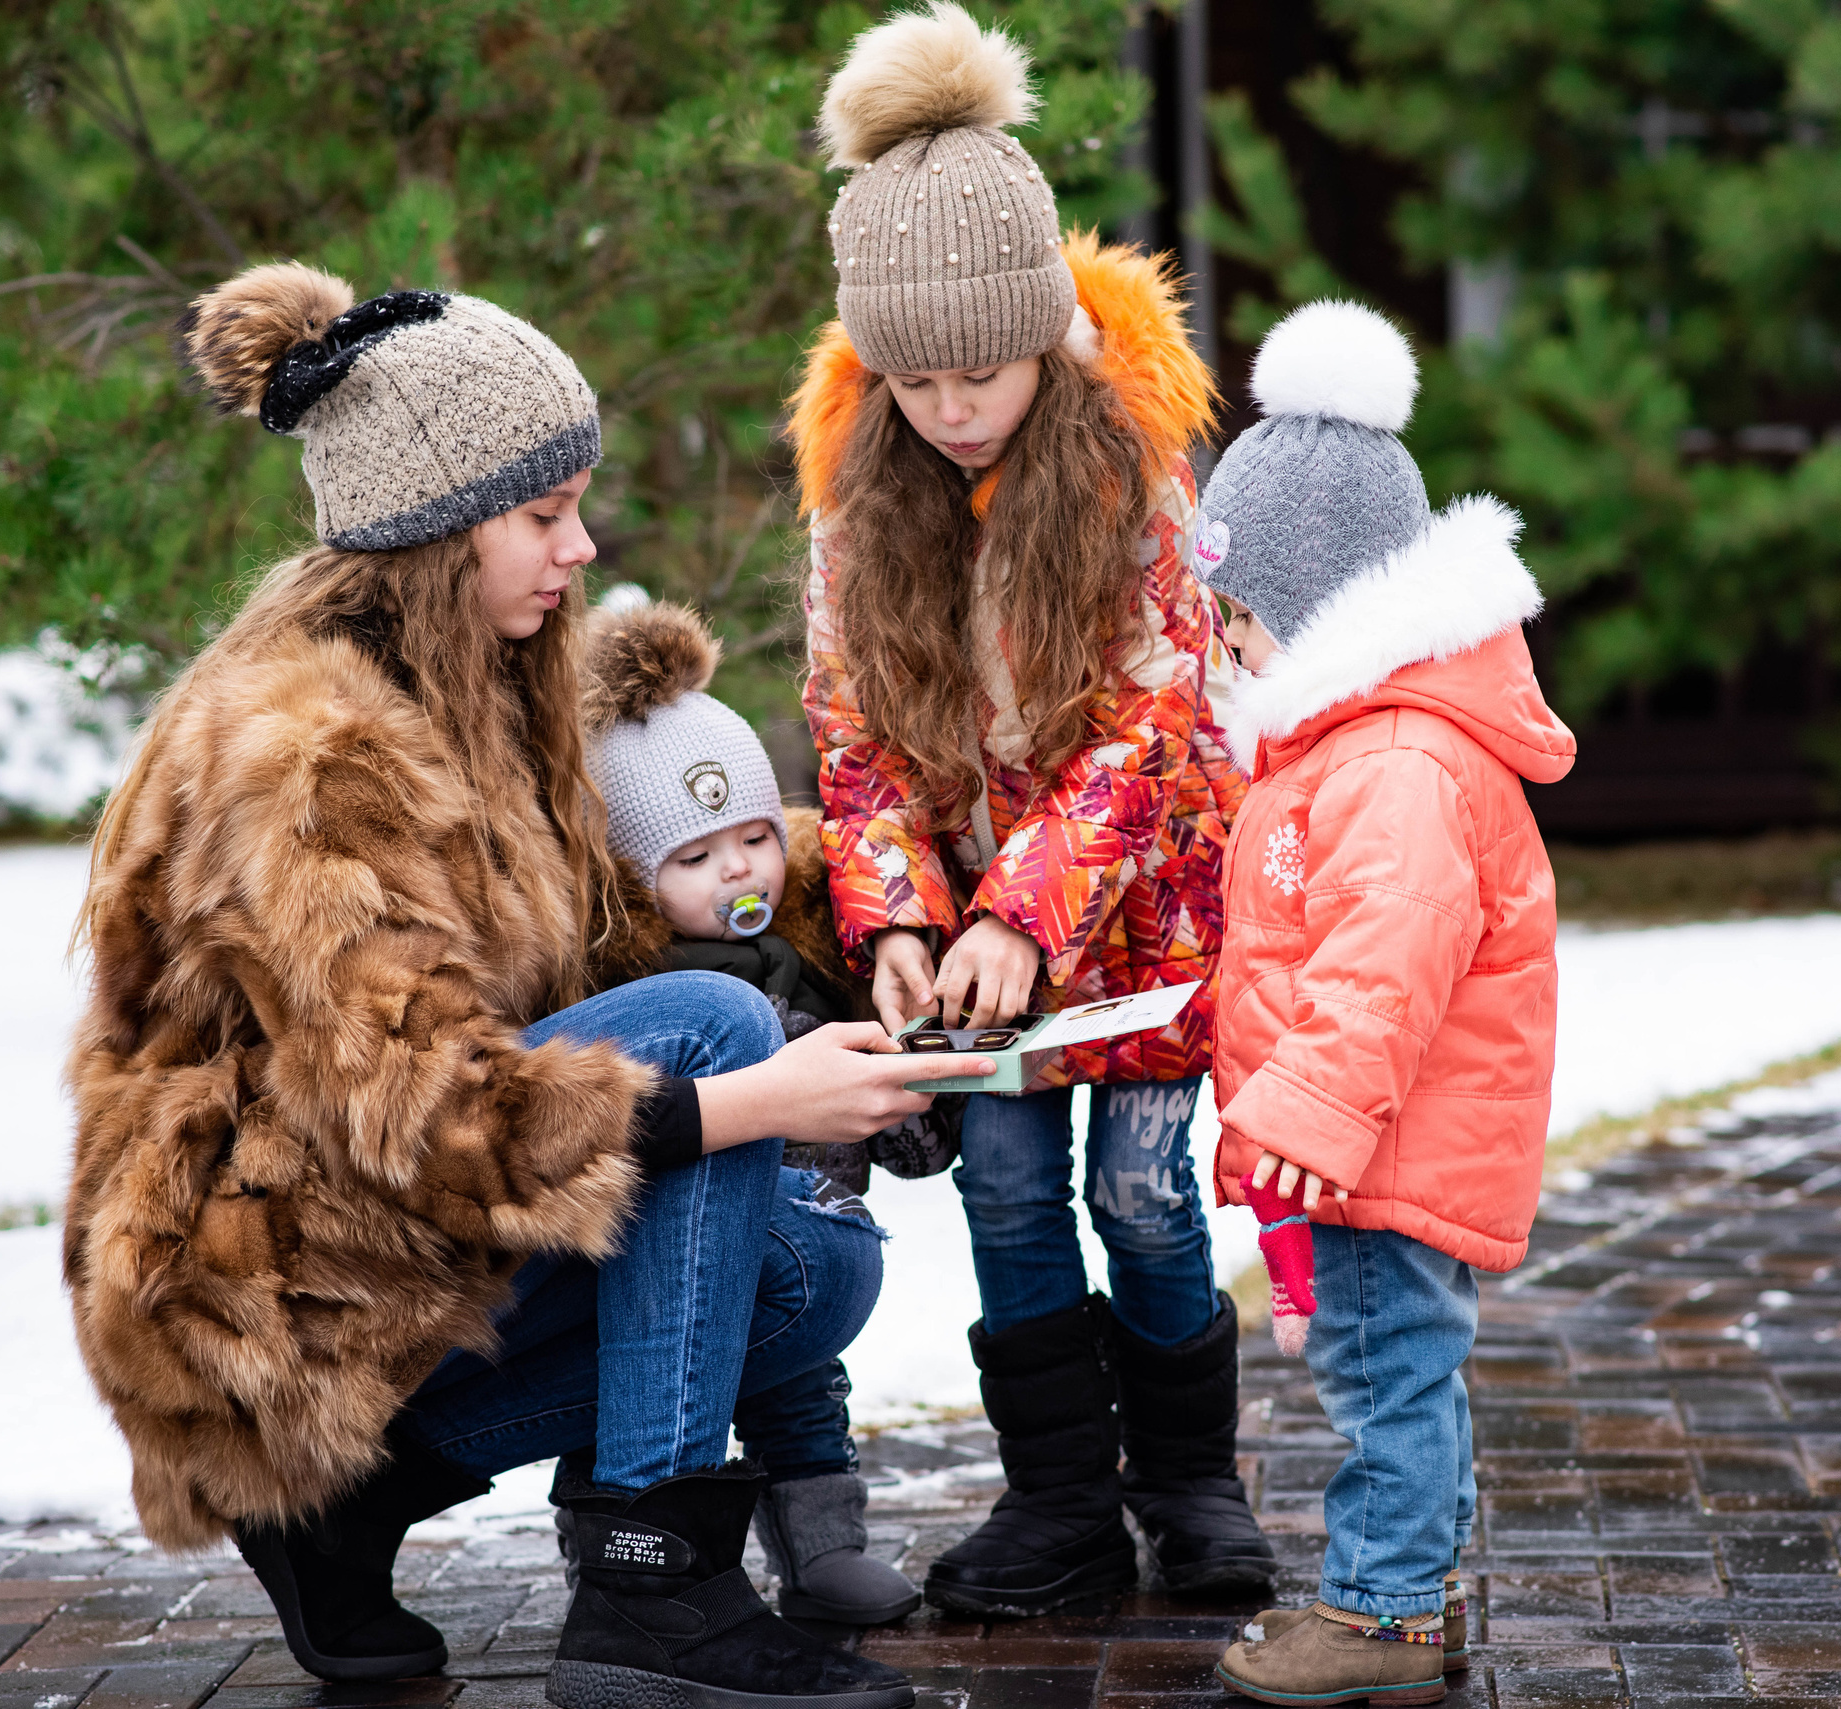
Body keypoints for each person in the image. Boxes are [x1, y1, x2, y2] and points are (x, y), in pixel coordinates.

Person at [63, 262, 995, 1709]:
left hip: (372, 1235)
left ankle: (351, 1506)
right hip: (254, 1291)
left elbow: (598, 948)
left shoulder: (476, 687)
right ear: (434, 530)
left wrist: (863, 958)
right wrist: (755, 1092)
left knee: (817, 1270)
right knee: (714, 1036)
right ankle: (651, 1585)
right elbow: (423, 1114)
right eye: (544, 515)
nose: (582, 547)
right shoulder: (316, 758)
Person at [792, 2, 1270, 1615]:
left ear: (1044, 335)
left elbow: (1156, 721)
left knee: (1141, 1187)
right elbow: (853, 739)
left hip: (1136, 913)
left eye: (979, 368)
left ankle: (1192, 1482)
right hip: (980, 942)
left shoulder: (1136, 471)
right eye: (910, 378)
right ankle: (1058, 1495)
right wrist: (908, 917)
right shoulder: (859, 506)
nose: (949, 406)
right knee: (1003, 1187)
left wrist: (1019, 906)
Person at [1187, 301, 1577, 1707]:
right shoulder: (1348, 749)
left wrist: (1309, 1108)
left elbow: (1386, 959)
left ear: (1321, 608)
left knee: (1388, 1376)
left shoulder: (1398, 763)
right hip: (1368, 1140)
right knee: (1401, 1366)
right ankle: (1406, 1596)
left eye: (1236, 620)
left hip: (1379, 1143)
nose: (1221, 649)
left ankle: (1386, 1614)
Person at [576, 596, 957, 1628]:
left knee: (803, 1392)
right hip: (666, 1257)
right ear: (633, 880)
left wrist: (920, 1099)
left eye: (751, 836)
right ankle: (623, 1553)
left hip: (805, 1238)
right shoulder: (626, 990)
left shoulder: (812, 951)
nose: (738, 869)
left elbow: (901, 1119)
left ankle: (823, 1545)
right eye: (693, 858)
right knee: (626, 1384)